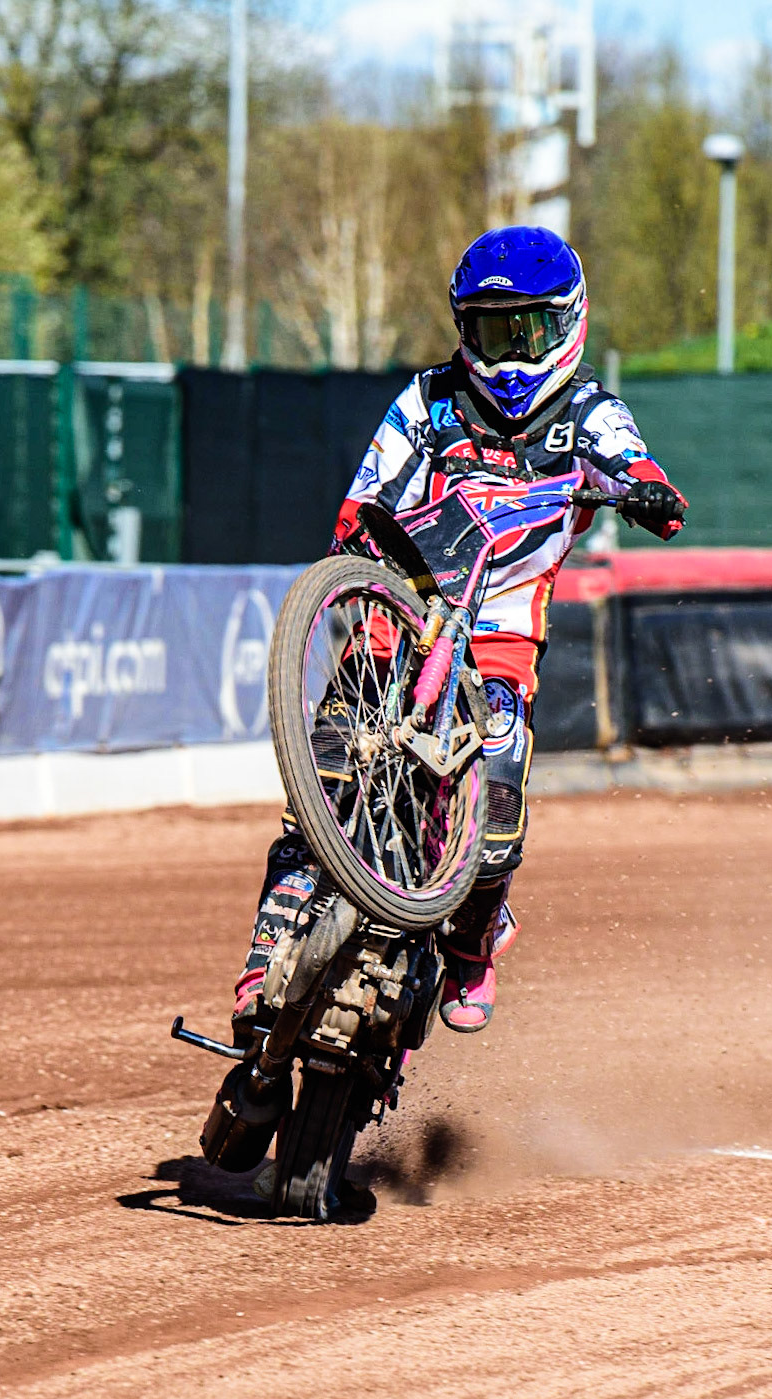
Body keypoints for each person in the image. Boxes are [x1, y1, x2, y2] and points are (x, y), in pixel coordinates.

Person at [233, 225, 687, 1039]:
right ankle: (267, 952)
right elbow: (370, 485)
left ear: (568, 324)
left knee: (500, 792)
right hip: (399, 609)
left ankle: (474, 945)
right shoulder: (427, 398)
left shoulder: (591, 411)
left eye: (528, 333)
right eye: (489, 332)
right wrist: (357, 531)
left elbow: (632, 461)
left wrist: (645, 488)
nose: (510, 356)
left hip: (502, 628)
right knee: (325, 783)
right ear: (461, 329)